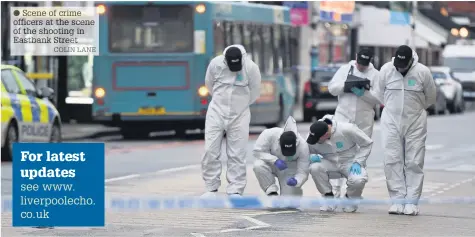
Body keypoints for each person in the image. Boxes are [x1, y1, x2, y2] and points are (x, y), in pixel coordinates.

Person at [373, 45, 436, 215]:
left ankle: (412, 202)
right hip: (391, 121)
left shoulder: (422, 72)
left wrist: (415, 110)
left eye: (403, 65)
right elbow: (378, 93)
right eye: (397, 64)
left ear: (410, 61)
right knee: (392, 159)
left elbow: (431, 97)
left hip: (415, 120)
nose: (400, 68)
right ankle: (397, 200)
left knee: (414, 161)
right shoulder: (386, 70)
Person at [201, 44, 262, 197]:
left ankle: (235, 189)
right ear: (225, 61)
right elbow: (209, 85)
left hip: (240, 114)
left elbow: (255, 92)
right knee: (210, 150)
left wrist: (240, 106)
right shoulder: (215, 64)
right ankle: (211, 187)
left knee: (237, 153)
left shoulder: (251, 68)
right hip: (216, 112)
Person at [327, 48, 380, 198]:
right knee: (337, 153)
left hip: (364, 120)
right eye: (359, 63)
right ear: (356, 58)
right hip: (343, 117)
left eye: (364, 64)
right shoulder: (345, 69)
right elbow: (332, 88)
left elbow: (380, 98)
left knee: (359, 156)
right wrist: (346, 86)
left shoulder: (376, 75)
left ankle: (352, 192)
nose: (361, 66)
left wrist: (364, 93)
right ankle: (335, 191)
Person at [306, 115, 373, 212]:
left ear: (325, 134)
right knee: (315, 168)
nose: (316, 142)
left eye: (318, 139)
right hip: (329, 162)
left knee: (358, 180)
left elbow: (367, 144)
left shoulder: (347, 129)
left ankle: (350, 199)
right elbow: (304, 152)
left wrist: (358, 162)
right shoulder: (314, 134)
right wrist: (310, 157)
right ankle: (328, 198)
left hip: (350, 163)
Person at [253, 116, 310, 197]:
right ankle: (272, 192)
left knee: (290, 203)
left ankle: (290, 194)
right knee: (258, 165)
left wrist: (297, 180)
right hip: (271, 164)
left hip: (289, 168)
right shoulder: (269, 134)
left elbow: (303, 171)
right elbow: (257, 152)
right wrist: (274, 160)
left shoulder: (303, 146)